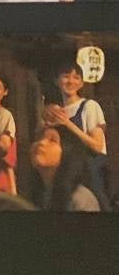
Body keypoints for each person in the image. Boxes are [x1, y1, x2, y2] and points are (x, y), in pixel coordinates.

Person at [42, 58, 109, 208]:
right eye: (66, 76)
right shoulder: (55, 111)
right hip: (63, 176)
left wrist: (67, 124)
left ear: (81, 83)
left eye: (76, 77)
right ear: (56, 80)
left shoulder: (89, 106)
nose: (71, 81)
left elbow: (97, 146)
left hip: (87, 174)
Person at [25, 125, 102, 212]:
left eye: (52, 140)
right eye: (38, 139)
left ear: (67, 151)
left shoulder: (80, 198)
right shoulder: (35, 195)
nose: (41, 143)